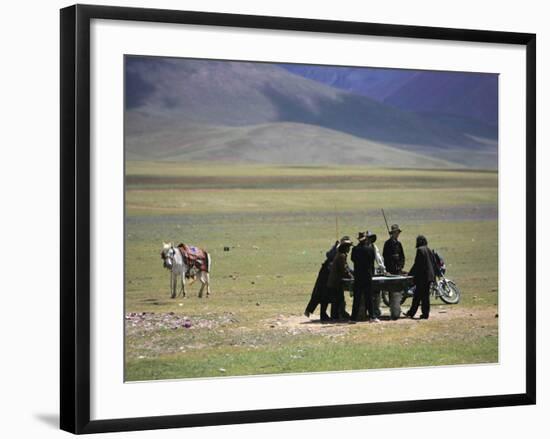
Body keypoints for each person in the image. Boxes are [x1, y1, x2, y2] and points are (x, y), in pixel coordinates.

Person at [304, 239, 340, 320]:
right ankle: (322, 314)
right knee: (324, 296)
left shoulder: (330, 260)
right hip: (325, 281)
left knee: (319, 295)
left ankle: (313, 311)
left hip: (323, 280)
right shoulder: (332, 261)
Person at [404, 235, 437, 319]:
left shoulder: (420, 250)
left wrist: (410, 274)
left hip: (423, 277)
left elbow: (417, 265)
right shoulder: (428, 249)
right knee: (423, 296)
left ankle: (413, 313)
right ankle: (423, 314)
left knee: (418, 296)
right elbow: (433, 263)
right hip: (429, 277)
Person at [351, 231, 378, 322]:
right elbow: (372, 261)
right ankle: (372, 316)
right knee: (368, 297)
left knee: (357, 298)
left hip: (358, 276)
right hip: (367, 276)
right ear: (365, 239)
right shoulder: (370, 249)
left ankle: (353, 318)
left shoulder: (355, 249)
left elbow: (353, 259)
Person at [326, 236, 353, 321]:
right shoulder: (341, 256)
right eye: (348, 247)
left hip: (335, 281)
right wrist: (351, 277)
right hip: (335, 282)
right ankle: (335, 317)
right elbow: (344, 270)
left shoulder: (341, 255)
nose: (349, 249)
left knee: (338, 299)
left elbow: (346, 268)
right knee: (336, 299)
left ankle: (337, 315)